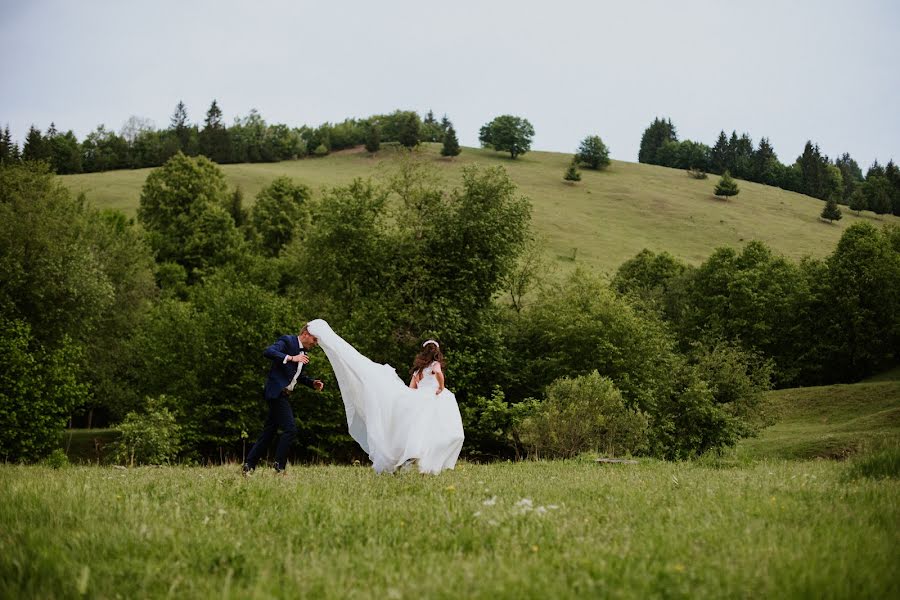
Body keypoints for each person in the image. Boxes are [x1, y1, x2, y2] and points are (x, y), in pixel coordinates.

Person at [306, 319, 464, 474]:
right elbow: (438, 372)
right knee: (442, 430)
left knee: (415, 430)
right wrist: (441, 387)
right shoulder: (435, 365)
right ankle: (428, 461)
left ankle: (411, 457)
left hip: (419, 397)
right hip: (433, 397)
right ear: (437, 353)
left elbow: (411, 388)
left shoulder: (418, 371)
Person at [242, 324, 325, 475]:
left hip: (284, 394)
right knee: (290, 428)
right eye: (314, 339)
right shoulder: (287, 341)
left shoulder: (304, 354)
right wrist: (291, 357)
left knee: (268, 432)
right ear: (306, 334)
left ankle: (249, 465)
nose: (315, 343)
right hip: (276, 392)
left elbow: (296, 376)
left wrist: (312, 383)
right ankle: (279, 467)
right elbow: (268, 351)